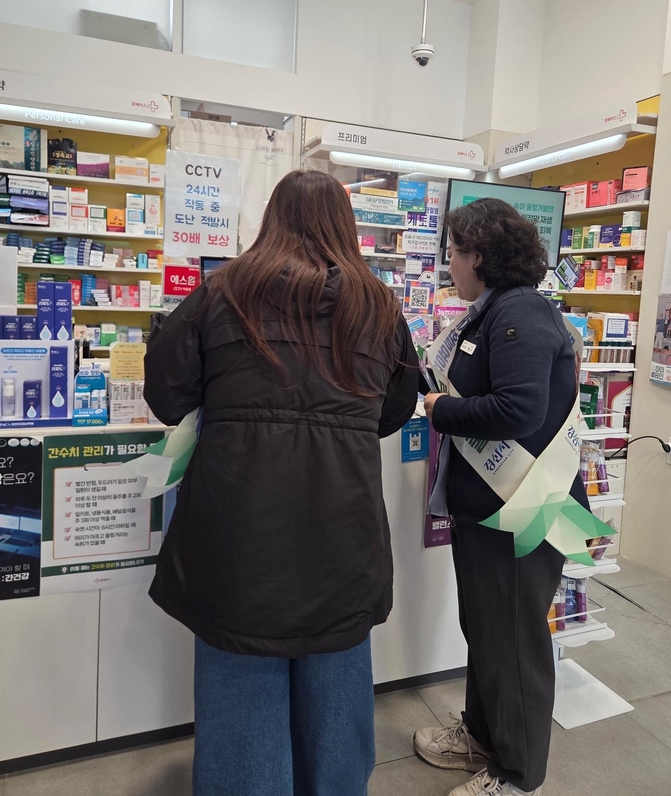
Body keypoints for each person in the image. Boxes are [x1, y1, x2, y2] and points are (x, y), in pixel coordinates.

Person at [144, 169, 418, 796]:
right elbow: (393, 413)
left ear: (271, 218)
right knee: (336, 693)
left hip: (239, 539)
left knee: (241, 700)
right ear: (346, 227)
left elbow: (166, 395)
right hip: (343, 537)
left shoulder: (224, 291)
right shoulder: (379, 306)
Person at [413, 198, 589, 796]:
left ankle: (518, 775)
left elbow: (519, 409)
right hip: (490, 507)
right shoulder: (487, 314)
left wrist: (441, 409)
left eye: (454, 254)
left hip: (525, 509)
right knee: (488, 630)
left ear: (480, 256)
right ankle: (484, 738)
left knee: (513, 642)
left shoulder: (522, 312)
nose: (449, 266)